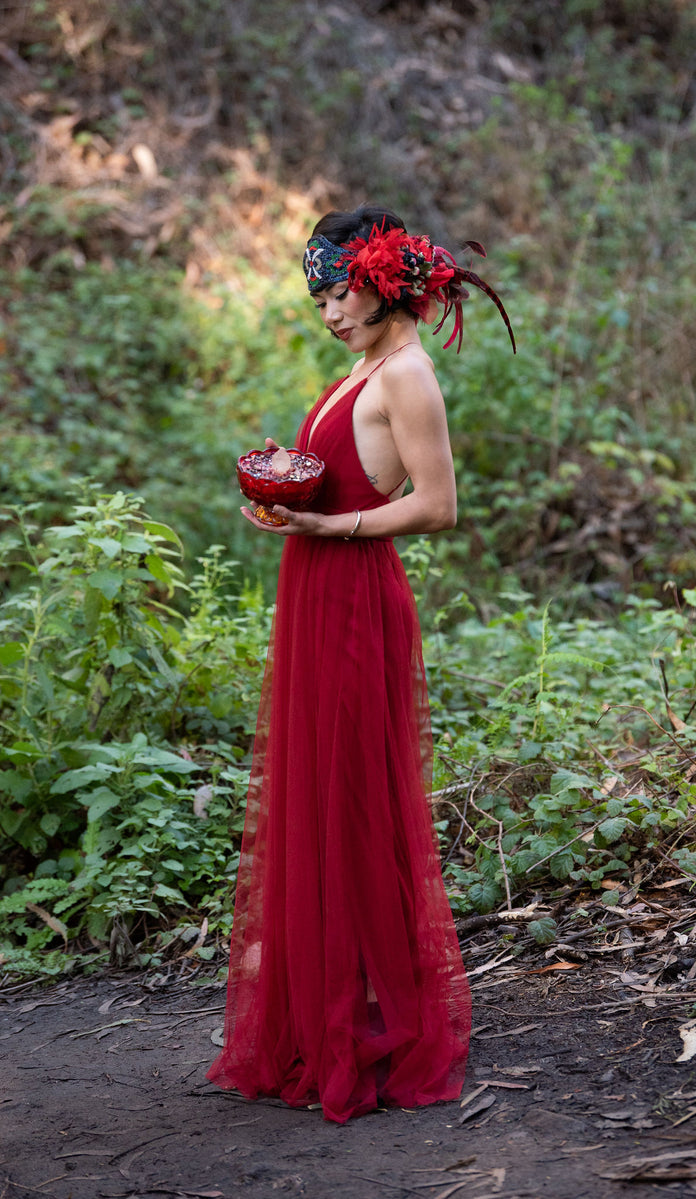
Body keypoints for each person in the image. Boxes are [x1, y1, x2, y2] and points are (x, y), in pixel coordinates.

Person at [206, 204, 515, 1123]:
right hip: (315, 584)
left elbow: (437, 505)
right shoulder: (366, 362)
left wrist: (326, 521)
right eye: (321, 298)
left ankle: (366, 1027)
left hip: (352, 597)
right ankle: (326, 1015)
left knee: (349, 802)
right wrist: (287, 498)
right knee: (317, 797)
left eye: (338, 292)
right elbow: (343, 469)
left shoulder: (410, 374)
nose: (329, 312)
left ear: (381, 283)